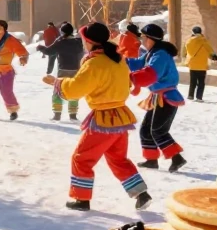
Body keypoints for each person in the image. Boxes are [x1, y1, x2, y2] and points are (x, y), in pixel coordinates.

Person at [43, 23, 151, 212]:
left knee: (81, 158)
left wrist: (57, 82)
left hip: (103, 119)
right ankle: (141, 193)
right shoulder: (118, 59)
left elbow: (75, 89)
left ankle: (81, 199)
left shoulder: (94, 63)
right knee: (118, 159)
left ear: (89, 41)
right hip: (121, 117)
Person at [127, 25, 187, 172]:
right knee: (146, 129)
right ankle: (151, 160)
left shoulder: (160, 55)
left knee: (158, 130)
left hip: (166, 97)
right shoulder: (152, 53)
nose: (141, 41)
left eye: (143, 37)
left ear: (150, 39)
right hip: (156, 97)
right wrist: (120, 61)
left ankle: (177, 158)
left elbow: (150, 74)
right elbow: (137, 64)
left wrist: (130, 78)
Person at [38, 22, 84, 121]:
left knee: (58, 91)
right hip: (75, 70)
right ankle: (73, 115)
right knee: (73, 91)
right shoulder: (78, 42)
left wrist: (40, 48)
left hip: (63, 70)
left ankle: (57, 114)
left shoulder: (61, 42)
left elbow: (49, 51)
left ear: (62, 32)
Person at [184, 27, 214, 102]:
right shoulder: (204, 40)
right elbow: (210, 50)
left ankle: (190, 95)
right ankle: (199, 97)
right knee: (201, 82)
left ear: (193, 32)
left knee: (192, 81)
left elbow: (185, 51)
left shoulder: (189, 41)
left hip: (192, 64)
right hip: (202, 65)